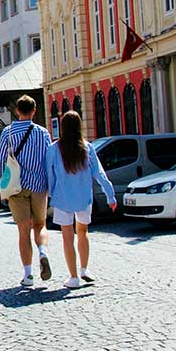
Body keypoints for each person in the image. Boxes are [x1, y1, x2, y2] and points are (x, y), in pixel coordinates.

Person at [45, 110, 115, 289]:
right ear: (79, 127)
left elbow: (49, 176)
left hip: (62, 198)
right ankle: (84, 269)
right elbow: (99, 172)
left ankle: (73, 277)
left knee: (67, 237)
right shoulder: (87, 147)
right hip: (84, 197)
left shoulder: (53, 149)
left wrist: (50, 194)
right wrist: (110, 195)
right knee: (83, 232)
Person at [0, 94, 53, 289]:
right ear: (34, 111)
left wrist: (1, 187)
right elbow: (49, 160)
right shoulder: (43, 133)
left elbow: (1, 161)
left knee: (23, 231)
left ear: (17, 111)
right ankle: (43, 252)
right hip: (39, 185)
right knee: (40, 225)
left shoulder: (8, 133)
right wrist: (50, 186)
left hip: (16, 186)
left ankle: (28, 275)